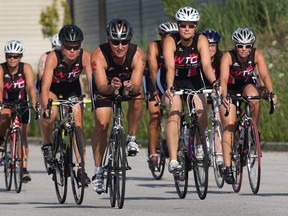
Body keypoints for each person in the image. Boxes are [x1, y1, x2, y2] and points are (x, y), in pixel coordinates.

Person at [90, 18, 146, 194]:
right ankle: (98, 171)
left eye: (124, 42)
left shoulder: (138, 55)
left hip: (128, 87)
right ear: (109, 40)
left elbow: (137, 86)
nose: (120, 46)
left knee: (138, 97)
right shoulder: (99, 55)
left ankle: (131, 137)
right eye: (115, 42)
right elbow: (100, 87)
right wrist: (111, 86)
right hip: (105, 88)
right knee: (102, 123)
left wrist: (131, 87)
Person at [162, 6, 217, 174]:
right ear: (178, 26)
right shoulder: (171, 40)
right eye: (183, 25)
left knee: (201, 110)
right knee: (174, 112)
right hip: (175, 80)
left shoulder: (201, 40)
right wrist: (170, 87)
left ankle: (199, 145)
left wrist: (214, 82)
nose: (187, 29)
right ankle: (172, 159)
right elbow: (170, 67)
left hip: (194, 79)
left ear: (195, 27)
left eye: (191, 25)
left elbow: (207, 66)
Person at [219, 27, 277, 184]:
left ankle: (253, 129)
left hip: (246, 85)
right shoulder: (228, 56)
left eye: (247, 46)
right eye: (240, 46)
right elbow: (223, 79)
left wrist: (271, 93)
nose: (244, 49)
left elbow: (264, 75)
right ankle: (227, 166)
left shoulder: (256, 54)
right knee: (230, 125)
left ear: (251, 46)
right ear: (235, 45)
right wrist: (224, 96)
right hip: (230, 88)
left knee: (254, 96)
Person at [40, 24, 92, 185]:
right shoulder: (53, 57)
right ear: (62, 47)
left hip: (72, 88)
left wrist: (95, 97)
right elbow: (45, 86)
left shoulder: (84, 56)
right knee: (52, 114)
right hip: (54, 88)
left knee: (78, 124)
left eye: (75, 47)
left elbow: (92, 81)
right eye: (68, 47)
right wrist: (45, 107)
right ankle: (48, 144)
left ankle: (80, 168)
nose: (72, 51)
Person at [0, 40, 37, 183]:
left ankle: (24, 169)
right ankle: (2, 139)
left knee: (22, 135)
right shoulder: (2, 69)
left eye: (15, 56)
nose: (12, 59)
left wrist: (34, 102)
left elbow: (30, 87)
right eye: (9, 56)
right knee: (5, 115)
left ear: (20, 56)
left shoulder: (25, 67)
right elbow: (0, 88)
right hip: (6, 102)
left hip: (22, 103)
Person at [144, 21, 178, 170]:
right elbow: (153, 71)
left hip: (170, 79)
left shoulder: (177, 46)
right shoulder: (154, 47)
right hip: (153, 79)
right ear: (161, 36)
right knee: (155, 113)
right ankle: (152, 153)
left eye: (174, 36)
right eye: (167, 36)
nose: (170, 39)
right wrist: (156, 91)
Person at [200, 29, 224, 168]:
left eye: (213, 45)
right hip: (201, 89)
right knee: (200, 115)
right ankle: (199, 144)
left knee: (218, 118)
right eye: (208, 45)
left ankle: (219, 154)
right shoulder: (197, 60)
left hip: (215, 90)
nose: (210, 49)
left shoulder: (221, 59)